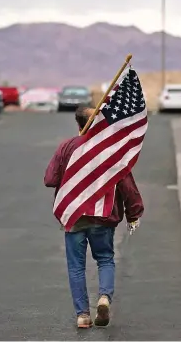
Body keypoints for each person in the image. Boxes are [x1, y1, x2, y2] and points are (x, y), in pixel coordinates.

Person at [44, 106, 144, 328]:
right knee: (105, 259)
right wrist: (133, 213)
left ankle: (82, 316)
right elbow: (127, 185)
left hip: (74, 217)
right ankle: (104, 298)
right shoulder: (111, 149)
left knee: (76, 267)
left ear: (79, 124)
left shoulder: (67, 147)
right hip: (103, 217)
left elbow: (50, 178)